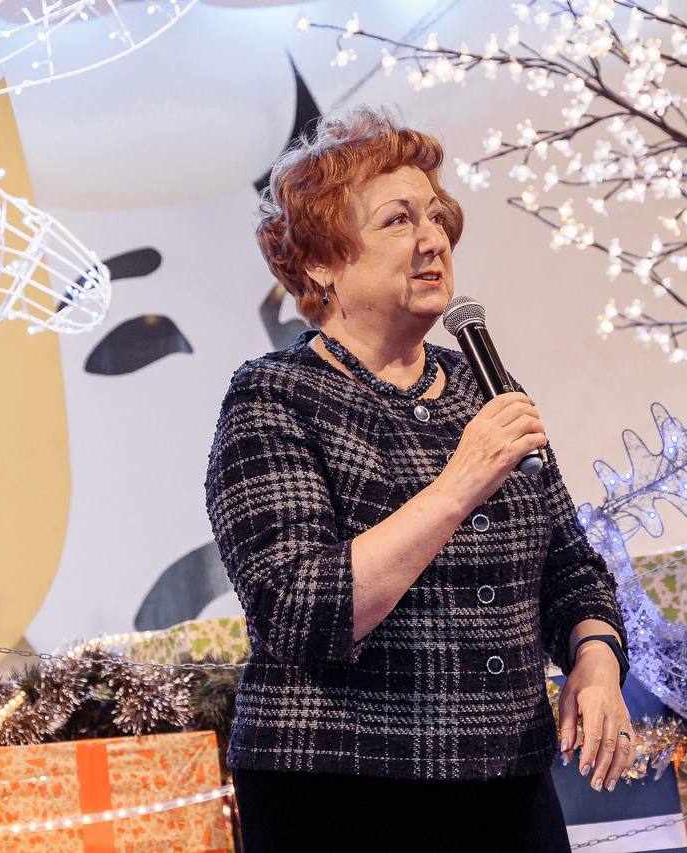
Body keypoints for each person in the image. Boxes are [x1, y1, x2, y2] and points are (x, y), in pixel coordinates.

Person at [204, 106, 632, 852]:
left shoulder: (484, 387)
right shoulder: (273, 396)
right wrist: (459, 484)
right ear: (322, 263)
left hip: (508, 781)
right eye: (398, 220)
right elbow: (300, 610)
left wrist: (596, 662)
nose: (434, 238)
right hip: (341, 788)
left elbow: (571, 569)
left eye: (435, 215)